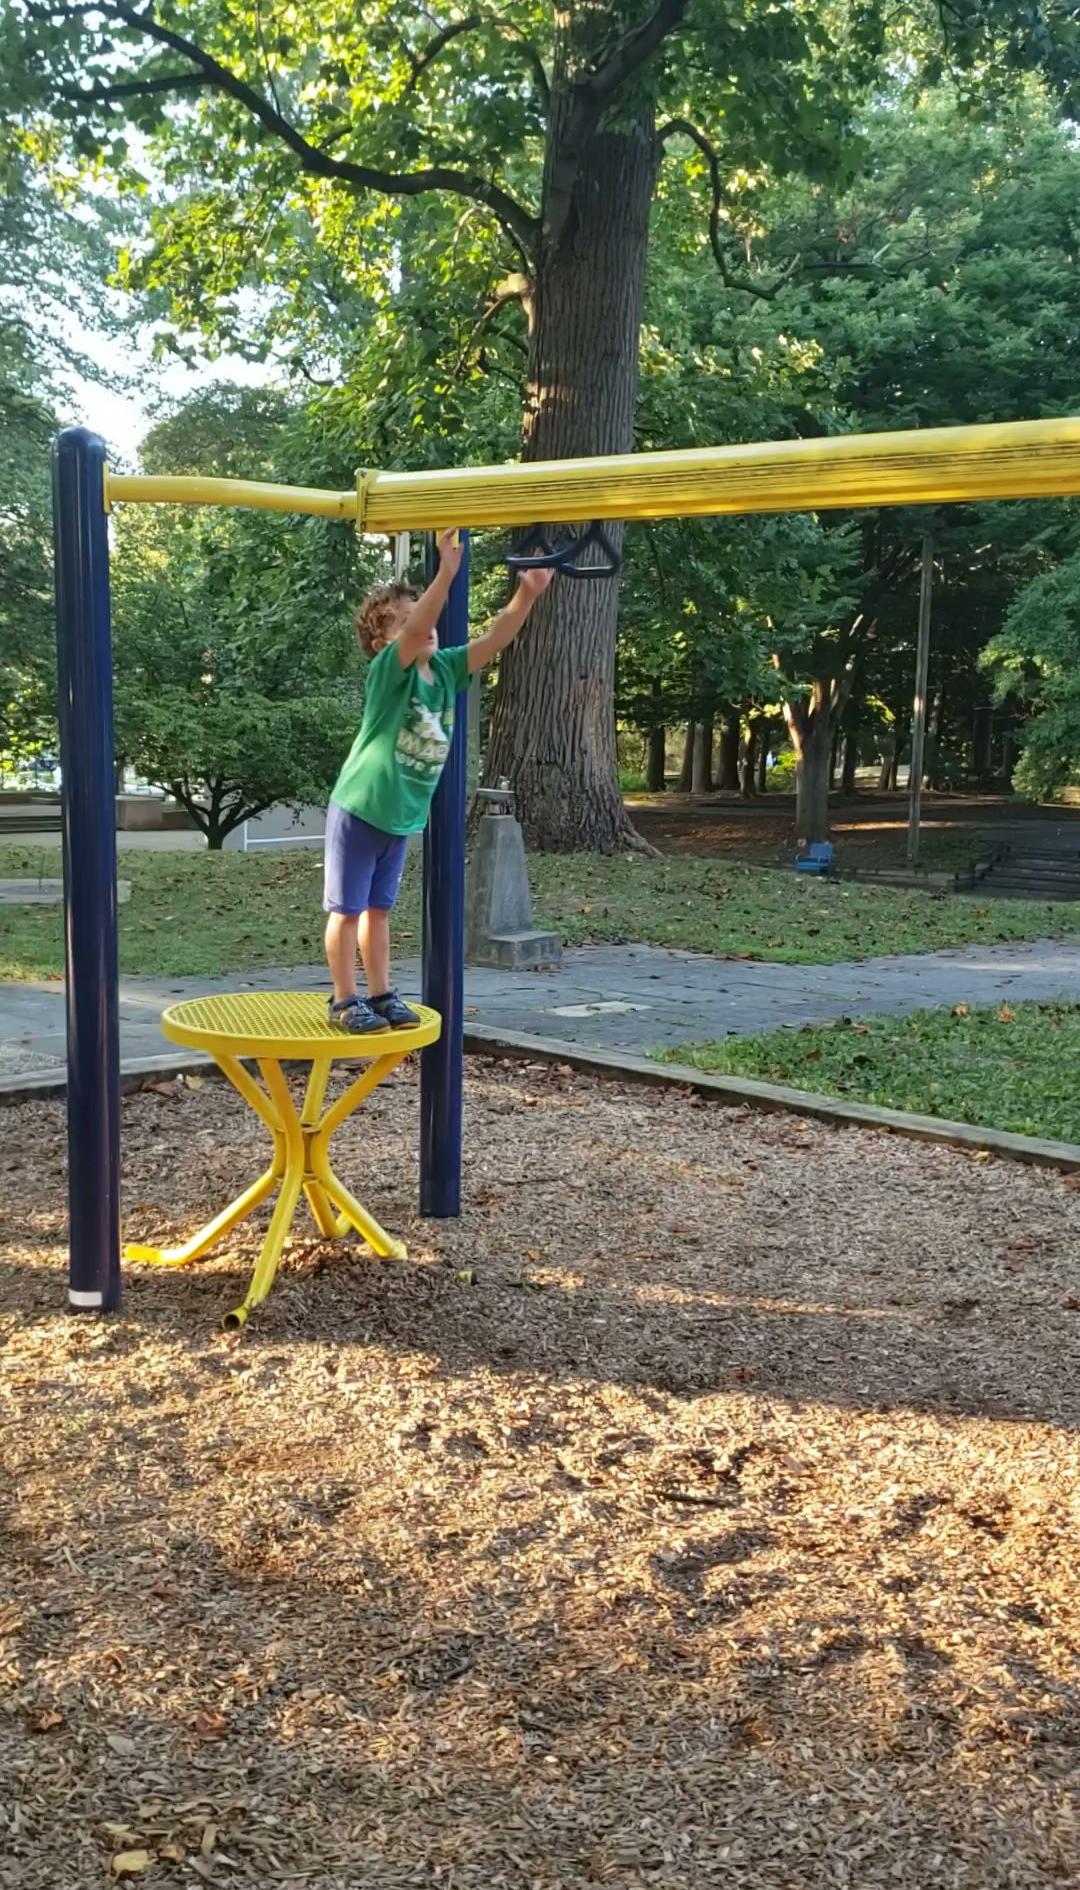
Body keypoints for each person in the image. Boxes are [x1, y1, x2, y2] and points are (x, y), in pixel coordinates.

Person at [324, 530, 553, 1033]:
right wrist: (446, 571)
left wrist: (527, 594)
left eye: (421, 617)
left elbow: (496, 639)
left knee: (378, 911)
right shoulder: (390, 672)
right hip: (361, 807)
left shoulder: (447, 670)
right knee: (347, 910)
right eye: (406, 621)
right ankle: (344, 1000)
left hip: (400, 816)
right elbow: (418, 627)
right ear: (384, 641)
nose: (422, 626)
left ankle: (380, 994)